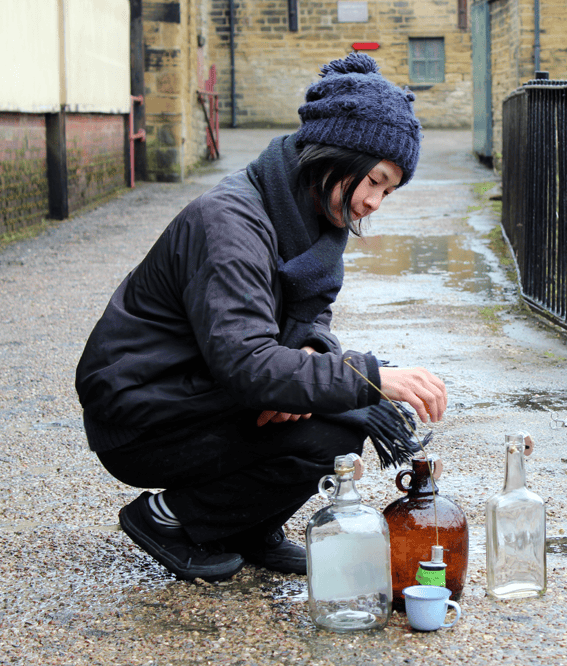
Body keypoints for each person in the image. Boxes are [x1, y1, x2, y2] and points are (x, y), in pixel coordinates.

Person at [75, 54, 447, 582]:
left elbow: (311, 315)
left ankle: (247, 527)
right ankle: (165, 517)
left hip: (199, 390)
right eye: (375, 181)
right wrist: (371, 377)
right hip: (143, 414)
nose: (375, 203)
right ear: (336, 152)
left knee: (332, 421)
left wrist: (313, 352)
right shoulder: (230, 222)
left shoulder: (310, 217)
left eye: (388, 191)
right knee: (344, 410)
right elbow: (247, 362)